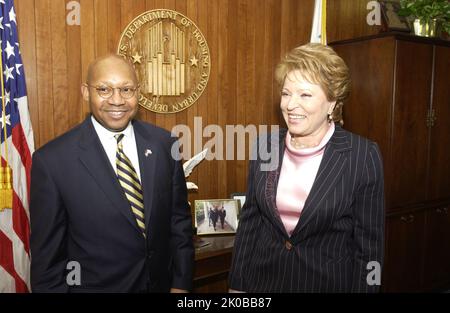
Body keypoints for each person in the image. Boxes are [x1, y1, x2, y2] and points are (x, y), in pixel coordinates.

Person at [29, 54, 194, 293]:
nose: (117, 100)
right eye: (104, 89)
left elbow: (178, 222)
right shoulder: (53, 161)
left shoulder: (164, 144)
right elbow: (48, 263)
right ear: (86, 92)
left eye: (126, 89)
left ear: (138, 92)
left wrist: (181, 284)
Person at [228, 43, 384, 293]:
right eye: (286, 93)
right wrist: (237, 286)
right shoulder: (265, 145)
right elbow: (250, 223)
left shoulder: (363, 156)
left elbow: (370, 247)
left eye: (305, 95)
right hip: (262, 284)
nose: (290, 105)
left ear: (333, 102)